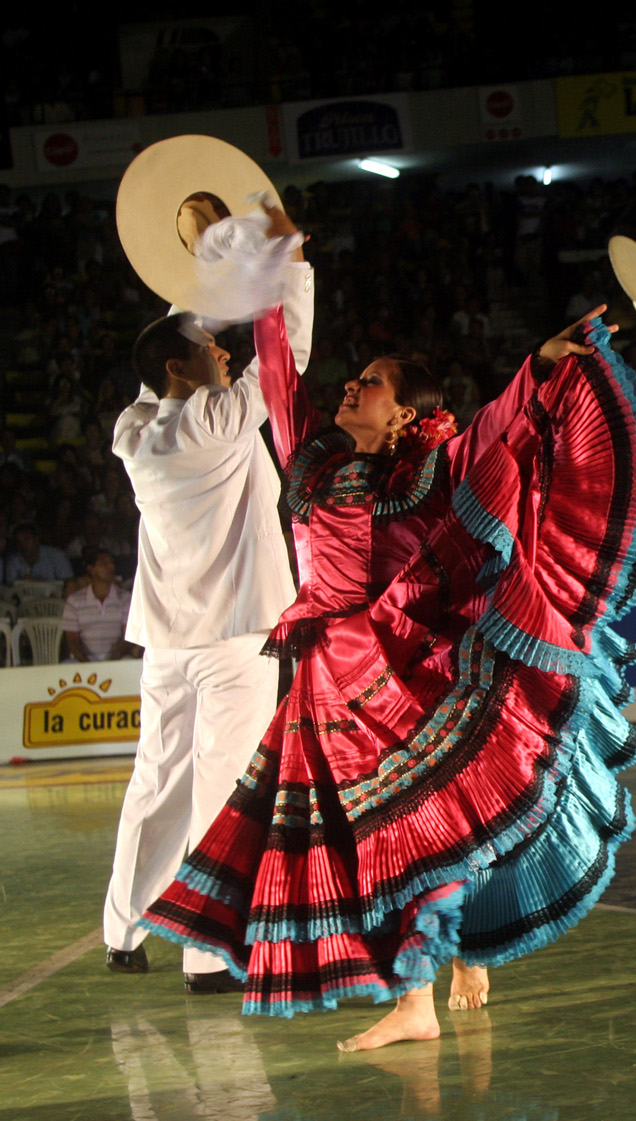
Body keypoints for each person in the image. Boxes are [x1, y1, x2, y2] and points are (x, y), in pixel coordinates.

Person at [139, 299, 636, 1050]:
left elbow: (499, 426)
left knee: (419, 825)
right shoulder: (312, 462)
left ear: (404, 415)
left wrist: (541, 365)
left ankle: (432, 979)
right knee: (376, 833)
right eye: (357, 377)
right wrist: (269, 286)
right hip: (326, 679)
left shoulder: (436, 469)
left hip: (406, 670)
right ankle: (429, 980)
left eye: (372, 382)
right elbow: (279, 378)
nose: (352, 385)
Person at [103, 218, 311, 994]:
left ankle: (123, 931)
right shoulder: (218, 417)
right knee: (223, 784)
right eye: (210, 347)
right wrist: (291, 265)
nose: (224, 351)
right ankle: (207, 952)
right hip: (233, 637)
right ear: (178, 366)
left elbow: (160, 358)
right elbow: (287, 356)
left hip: (167, 639)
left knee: (155, 780)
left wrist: (193, 268)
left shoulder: (133, 430)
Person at [61, 550, 137, 662]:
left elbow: (128, 637)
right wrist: (87, 664)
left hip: (117, 659)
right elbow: (72, 640)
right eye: (104, 563)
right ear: (91, 569)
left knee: (129, 663)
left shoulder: (125, 598)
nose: (110, 566)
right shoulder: (74, 601)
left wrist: (112, 660)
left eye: (111, 563)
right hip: (84, 661)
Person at [5, 522, 73, 582]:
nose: (23, 544)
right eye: (19, 541)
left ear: (36, 539)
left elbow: (68, 583)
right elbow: (11, 587)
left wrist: (36, 583)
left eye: (26, 539)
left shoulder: (56, 556)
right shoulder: (13, 560)